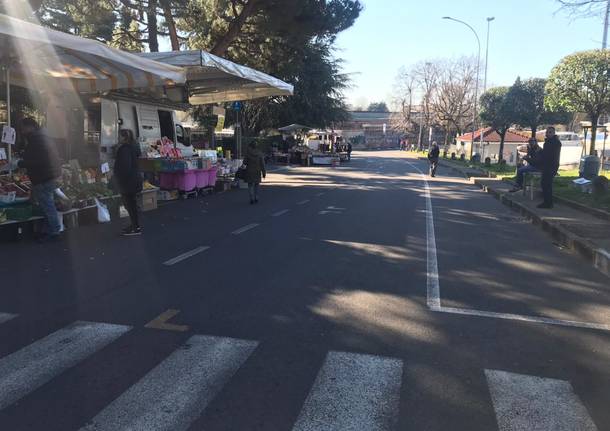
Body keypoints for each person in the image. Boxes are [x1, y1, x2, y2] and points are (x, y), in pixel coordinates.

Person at [18, 118, 63, 242]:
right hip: (48, 176)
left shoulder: (37, 140)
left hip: (44, 178)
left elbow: (37, 160)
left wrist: (21, 163)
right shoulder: (41, 138)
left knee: (47, 205)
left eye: (23, 127)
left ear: (31, 127)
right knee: (48, 204)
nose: (22, 130)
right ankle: (48, 230)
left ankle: (54, 231)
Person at [114, 129, 143, 235]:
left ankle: (135, 227)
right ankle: (135, 226)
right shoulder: (134, 147)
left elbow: (124, 166)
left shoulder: (124, 149)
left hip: (128, 181)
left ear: (124, 137)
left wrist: (118, 178)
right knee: (131, 204)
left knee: (130, 205)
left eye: (119, 136)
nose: (118, 138)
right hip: (134, 179)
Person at [538, 126, 562, 209]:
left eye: (550, 132)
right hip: (546, 166)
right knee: (544, 184)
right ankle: (546, 201)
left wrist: (555, 168)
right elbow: (545, 154)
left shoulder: (556, 143)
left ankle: (548, 203)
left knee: (547, 185)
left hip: (551, 166)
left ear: (553, 133)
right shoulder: (547, 142)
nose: (548, 134)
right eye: (547, 132)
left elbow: (553, 156)